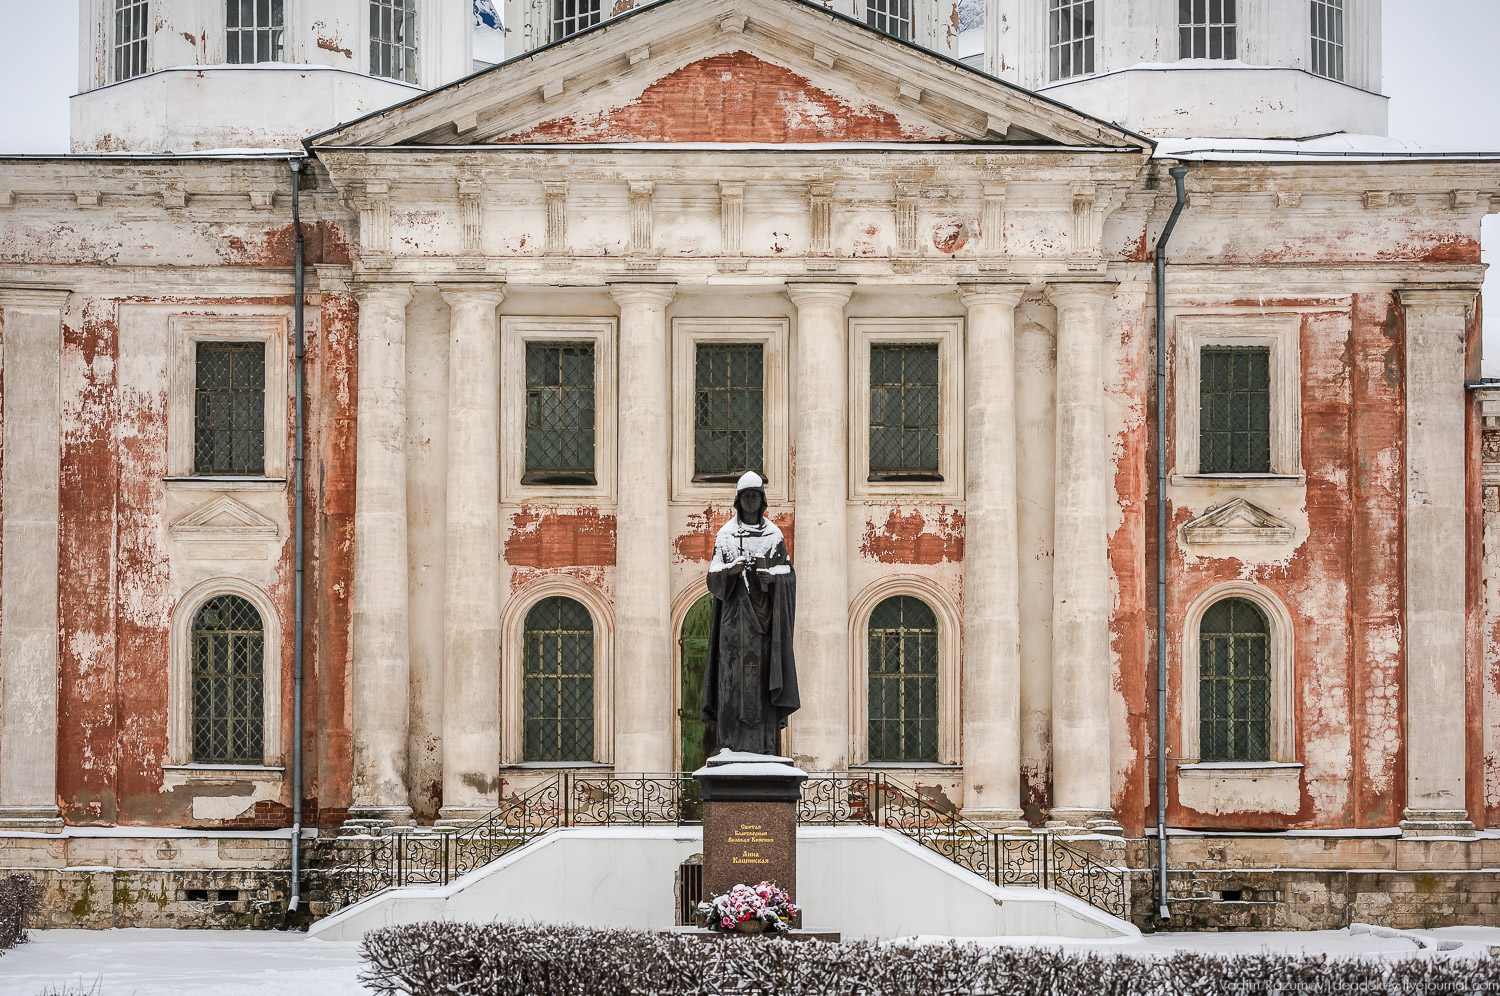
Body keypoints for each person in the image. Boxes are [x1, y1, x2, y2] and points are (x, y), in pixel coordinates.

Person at [700, 471, 800, 756]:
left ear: (763, 500)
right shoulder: (726, 535)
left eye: (756, 496)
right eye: (747, 496)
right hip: (734, 625)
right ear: (739, 500)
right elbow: (713, 576)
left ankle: (765, 747)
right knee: (731, 681)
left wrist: (773, 579)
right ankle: (730, 745)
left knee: (762, 680)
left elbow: (788, 574)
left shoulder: (774, 535)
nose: (752, 501)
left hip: (765, 627)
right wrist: (730, 571)